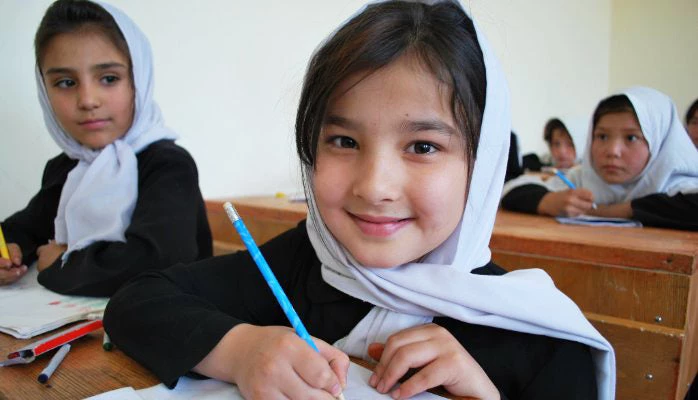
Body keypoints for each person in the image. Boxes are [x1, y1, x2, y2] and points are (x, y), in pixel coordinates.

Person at [105, 1, 614, 399]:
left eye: (423, 146)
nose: (374, 186)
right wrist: (240, 351)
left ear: (480, 168)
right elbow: (137, 301)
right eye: (344, 142)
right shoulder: (307, 262)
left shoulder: (546, 341)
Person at [0, 0, 212, 295]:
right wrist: (9, 250)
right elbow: (27, 227)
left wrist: (63, 263)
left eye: (109, 79)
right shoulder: (68, 168)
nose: (87, 100)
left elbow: (159, 259)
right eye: (65, 82)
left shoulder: (167, 165)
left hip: (162, 329)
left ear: (138, 80)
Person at [502, 87, 698, 231]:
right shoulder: (582, 178)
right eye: (602, 136)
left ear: (659, 142)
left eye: (631, 138)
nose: (612, 151)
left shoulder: (676, 182)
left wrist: (618, 211)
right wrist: (548, 200)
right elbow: (513, 190)